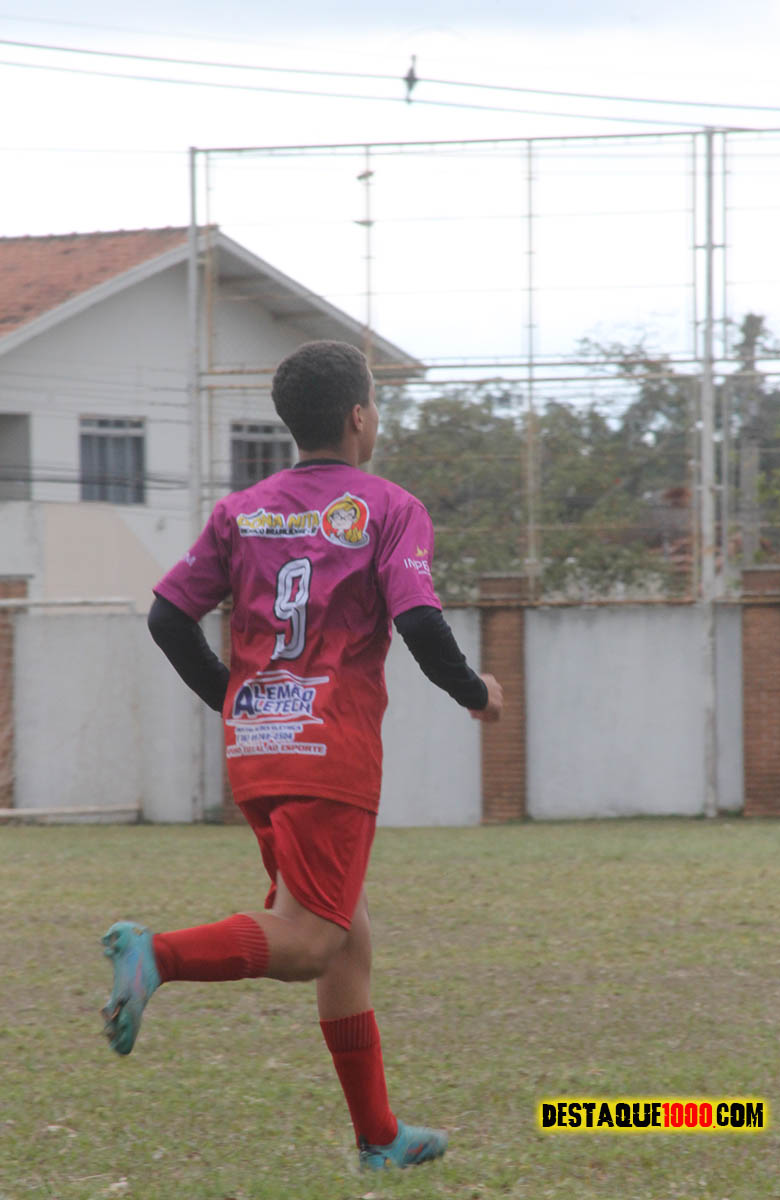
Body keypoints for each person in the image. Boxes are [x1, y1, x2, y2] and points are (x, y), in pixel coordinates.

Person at [100, 340, 503, 1172]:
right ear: (359, 417)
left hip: (259, 749)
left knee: (347, 937)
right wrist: (477, 691)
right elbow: (419, 620)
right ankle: (156, 954)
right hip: (330, 752)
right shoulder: (389, 508)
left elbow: (169, 618)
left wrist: (234, 700)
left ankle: (380, 1138)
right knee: (313, 940)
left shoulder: (241, 512)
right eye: (376, 405)